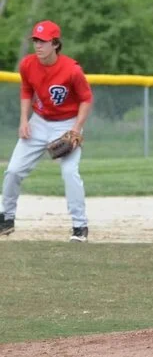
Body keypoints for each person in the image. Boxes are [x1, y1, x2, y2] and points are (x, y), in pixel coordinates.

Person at [0, 20, 93, 242]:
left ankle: (80, 226)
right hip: (39, 121)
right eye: (35, 40)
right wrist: (24, 120)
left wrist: (76, 128)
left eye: (43, 41)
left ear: (55, 44)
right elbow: (26, 90)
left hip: (67, 124)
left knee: (69, 172)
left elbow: (86, 99)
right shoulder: (28, 64)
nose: (38, 45)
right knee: (13, 170)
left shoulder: (72, 70)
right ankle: (6, 218)